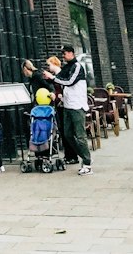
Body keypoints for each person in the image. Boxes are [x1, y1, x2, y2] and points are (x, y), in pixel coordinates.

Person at [46, 46, 92, 174]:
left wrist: (53, 78)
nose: (63, 56)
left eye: (65, 54)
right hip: (67, 105)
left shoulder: (77, 66)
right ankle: (84, 156)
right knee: (67, 134)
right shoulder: (67, 67)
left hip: (77, 105)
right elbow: (60, 76)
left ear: (71, 53)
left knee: (80, 135)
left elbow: (69, 81)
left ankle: (87, 163)